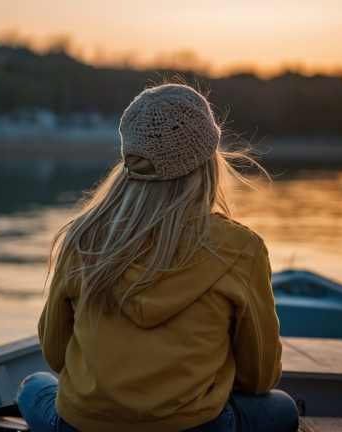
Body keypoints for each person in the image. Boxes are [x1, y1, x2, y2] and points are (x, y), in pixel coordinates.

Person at [16, 83, 299, 432]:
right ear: (207, 160)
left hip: (84, 427)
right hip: (195, 428)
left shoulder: (83, 238)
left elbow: (58, 355)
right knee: (283, 408)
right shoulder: (242, 249)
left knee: (33, 387)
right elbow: (259, 379)